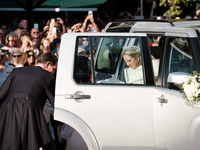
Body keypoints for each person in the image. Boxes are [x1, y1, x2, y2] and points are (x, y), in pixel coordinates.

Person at [0, 52, 58, 150]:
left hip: (7, 110)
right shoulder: (47, 77)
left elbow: (1, 93)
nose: (53, 72)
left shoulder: (17, 71)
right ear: (47, 64)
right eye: (54, 69)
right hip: (28, 113)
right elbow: (55, 103)